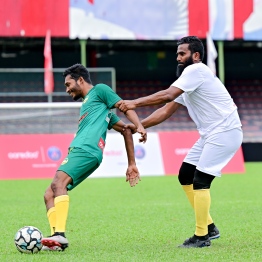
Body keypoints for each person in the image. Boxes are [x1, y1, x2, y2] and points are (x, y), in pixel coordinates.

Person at [119, 36, 243, 248]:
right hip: (211, 134)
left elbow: (167, 95)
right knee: (185, 175)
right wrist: (140, 126)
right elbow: (166, 110)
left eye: (182, 53)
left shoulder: (196, 71)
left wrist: (134, 103)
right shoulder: (188, 81)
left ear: (196, 56)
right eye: (177, 54)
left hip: (225, 131)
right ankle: (210, 227)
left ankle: (202, 236)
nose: (178, 58)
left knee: (201, 180)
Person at [41, 63, 147, 251]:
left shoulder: (100, 90)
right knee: (49, 193)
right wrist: (132, 163)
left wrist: (139, 124)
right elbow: (124, 130)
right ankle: (56, 241)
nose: (67, 90)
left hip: (85, 149)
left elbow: (124, 106)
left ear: (80, 80)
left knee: (59, 184)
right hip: (81, 151)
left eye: (68, 84)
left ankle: (60, 235)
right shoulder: (97, 107)